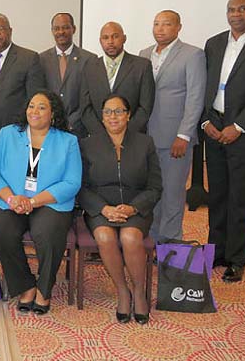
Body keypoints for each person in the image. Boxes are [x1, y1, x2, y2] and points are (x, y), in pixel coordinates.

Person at [0, 91, 81, 315]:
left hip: (50, 202)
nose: (34, 111)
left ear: (53, 113)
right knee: (0, 228)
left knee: (47, 233)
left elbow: (72, 182)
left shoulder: (68, 141)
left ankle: (44, 289)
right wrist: (11, 198)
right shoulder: (8, 134)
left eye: (41, 107)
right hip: (12, 200)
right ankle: (25, 285)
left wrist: (34, 201)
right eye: (31, 106)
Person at [78, 94, 162, 324]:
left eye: (118, 111)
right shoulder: (88, 144)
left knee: (130, 236)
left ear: (128, 115)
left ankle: (139, 291)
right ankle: (122, 290)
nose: (112, 116)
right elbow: (81, 187)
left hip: (135, 208)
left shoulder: (145, 143)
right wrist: (103, 208)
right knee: (104, 236)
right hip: (100, 208)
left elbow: (155, 187)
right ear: (101, 117)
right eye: (107, 112)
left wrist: (134, 208)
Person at [201, 0, 245, 283]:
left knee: (241, 198)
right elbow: (205, 86)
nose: (236, 14)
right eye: (231, 9)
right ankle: (216, 251)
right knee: (218, 195)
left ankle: (237, 259)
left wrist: (238, 125)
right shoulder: (214, 44)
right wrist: (205, 121)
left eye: (242, 8)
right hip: (214, 126)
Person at [139, 10, 206, 243]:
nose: (160, 28)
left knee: (172, 196)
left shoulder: (192, 55)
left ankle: (170, 248)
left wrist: (184, 135)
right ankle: (152, 243)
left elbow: (195, 98)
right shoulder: (144, 54)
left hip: (175, 140)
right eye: (156, 23)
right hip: (147, 138)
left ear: (178, 27)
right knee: (152, 193)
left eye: (166, 24)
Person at [0, 13, 46, 147]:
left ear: (10, 31)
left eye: (0, 29)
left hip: (15, 132)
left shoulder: (28, 58)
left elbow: (35, 98)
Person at [81, 22, 155, 135]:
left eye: (115, 36)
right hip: (99, 138)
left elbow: (145, 107)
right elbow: (85, 107)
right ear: (100, 41)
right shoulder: (89, 67)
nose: (110, 41)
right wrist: (102, 135)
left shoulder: (142, 66)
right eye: (105, 38)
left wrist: (124, 133)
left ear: (124, 38)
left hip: (133, 137)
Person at [39, 13, 95, 137]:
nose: (61, 32)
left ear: (73, 29)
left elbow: (89, 98)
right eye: (56, 28)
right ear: (52, 31)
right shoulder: (41, 59)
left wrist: (73, 122)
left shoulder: (89, 59)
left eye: (65, 27)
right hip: (49, 129)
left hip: (78, 130)